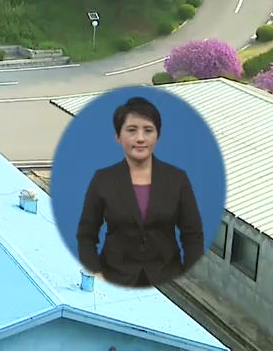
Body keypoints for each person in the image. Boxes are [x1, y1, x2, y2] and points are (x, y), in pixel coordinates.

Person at [76, 97, 204, 287]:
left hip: (167, 278)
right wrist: (95, 272)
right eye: (131, 130)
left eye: (148, 130)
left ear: (158, 136)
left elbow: (193, 234)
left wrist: (186, 273)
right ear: (118, 137)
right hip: (115, 276)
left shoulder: (178, 179)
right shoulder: (103, 179)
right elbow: (86, 235)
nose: (140, 138)